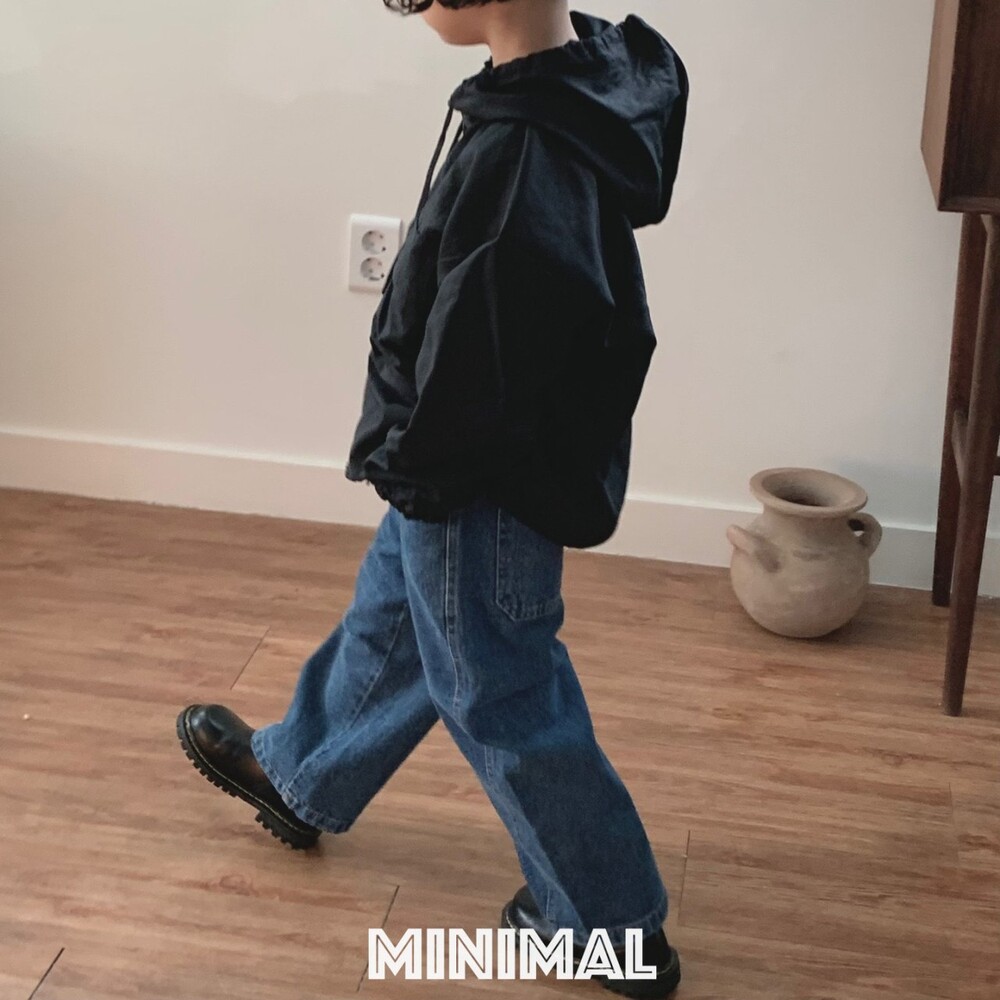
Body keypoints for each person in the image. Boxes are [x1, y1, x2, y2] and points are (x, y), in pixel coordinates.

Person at [176, 2, 688, 995]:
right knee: (399, 613)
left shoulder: (523, 153)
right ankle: (304, 773)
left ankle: (612, 922)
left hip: (476, 475)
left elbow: (483, 358)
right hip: (481, 459)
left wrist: (416, 464)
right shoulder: (579, 83)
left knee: (501, 691)